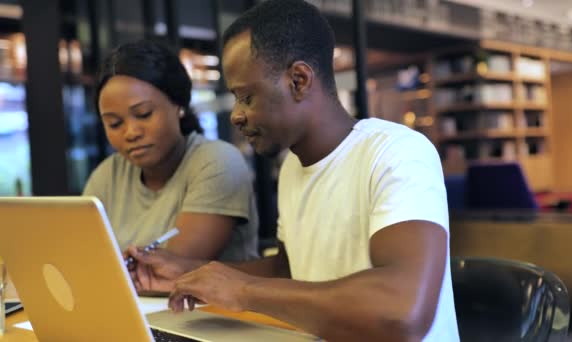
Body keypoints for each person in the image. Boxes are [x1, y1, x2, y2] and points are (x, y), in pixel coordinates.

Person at [127, 1, 459, 340]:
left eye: (247, 97)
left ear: (299, 80)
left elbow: (403, 311)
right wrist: (188, 272)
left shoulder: (396, 152)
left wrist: (245, 291)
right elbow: (290, 269)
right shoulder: (291, 168)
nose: (236, 115)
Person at [84, 40, 259, 263]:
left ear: (179, 105)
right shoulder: (108, 175)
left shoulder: (217, 162)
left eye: (144, 114)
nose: (131, 133)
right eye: (115, 123)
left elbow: (170, 271)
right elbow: (81, 257)